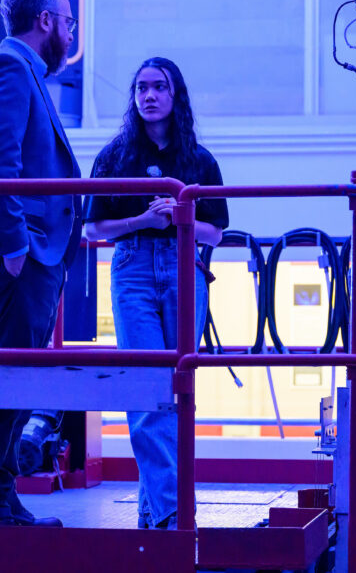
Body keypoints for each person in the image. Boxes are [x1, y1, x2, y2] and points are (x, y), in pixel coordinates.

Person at [0, 0, 82, 527]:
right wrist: (14, 248)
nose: (71, 33)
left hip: (25, 256)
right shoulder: (8, 69)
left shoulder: (22, 71)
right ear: (46, 21)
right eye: (68, 20)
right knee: (6, 373)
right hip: (14, 258)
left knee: (15, 373)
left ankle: (0, 497)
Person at [84, 57, 228, 530]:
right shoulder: (114, 157)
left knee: (179, 387)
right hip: (133, 269)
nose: (149, 96)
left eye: (158, 87)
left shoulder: (199, 160)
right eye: (141, 88)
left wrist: (181, 215)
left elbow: (217, 234)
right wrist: (144, 221)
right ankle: (171, 515)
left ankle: (156, 511)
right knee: (148, 390)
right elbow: (93, 228)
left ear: (175, 96)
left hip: (184, 264)